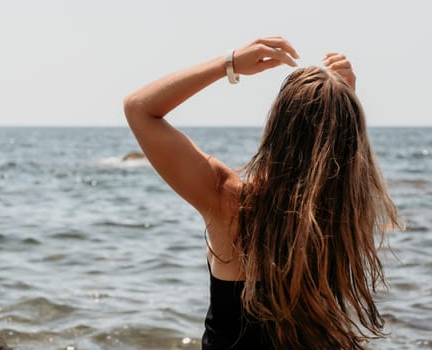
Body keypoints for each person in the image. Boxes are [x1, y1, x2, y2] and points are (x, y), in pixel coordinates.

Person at [124, 36, 398, 350]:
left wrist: (229, 63)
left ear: (278, 128)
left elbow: (140, 109)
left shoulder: (232, 204)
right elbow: (338, 162)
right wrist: (341, 99)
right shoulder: (344, 215)